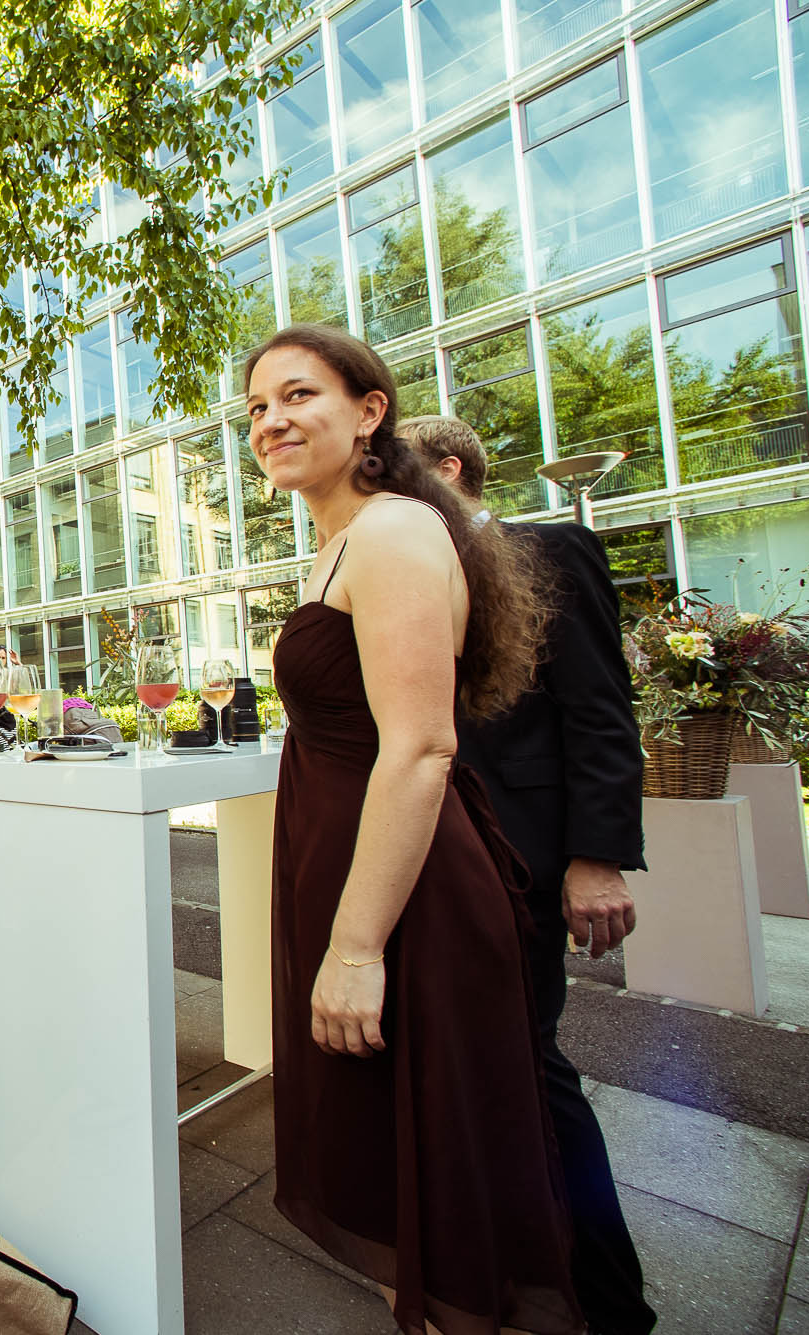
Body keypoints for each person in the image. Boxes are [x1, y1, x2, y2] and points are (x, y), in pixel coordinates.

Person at [243, 325, 580, 1335]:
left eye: (298, 396)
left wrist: (354, 947)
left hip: (404, 901)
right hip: (354, 872)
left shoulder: (389, 532)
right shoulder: (341, 538)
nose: (272, 422)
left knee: (436, 1177)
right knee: (397, 1166)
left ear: (368, 412)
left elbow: (422, 748)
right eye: (257, 408)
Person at [400, 415, 655, 1335]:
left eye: (400, 471)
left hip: (530, 852)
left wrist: (594, 857)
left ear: (451, 468)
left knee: (533, 1064)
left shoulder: (550, 550)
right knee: (478, 1066)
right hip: (439, 855)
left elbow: (600, 710)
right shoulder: (411, 567)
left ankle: (608, 1301)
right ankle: (501, 1268)